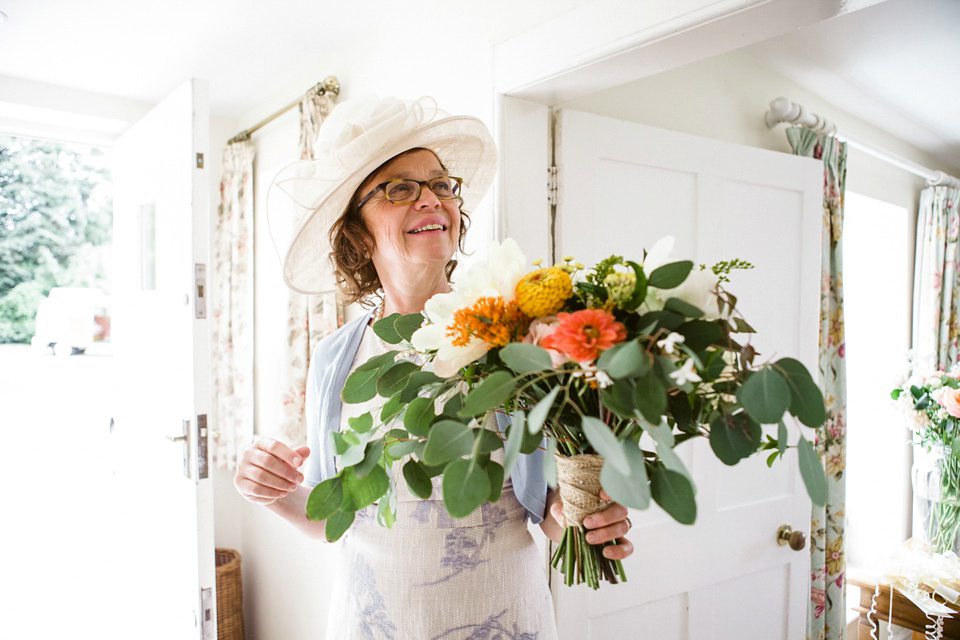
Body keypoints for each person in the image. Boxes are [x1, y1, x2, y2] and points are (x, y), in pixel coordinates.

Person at [234, 95, 634, 639]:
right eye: (400, 188)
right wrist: (273, 491)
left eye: (442, 185)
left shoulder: (515, 336)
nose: (432, 199)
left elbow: (545, 508)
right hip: (371, 624)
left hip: (503, 620)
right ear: (357, 230)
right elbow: (337, 515)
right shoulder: (336, 360)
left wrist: (584, 520)